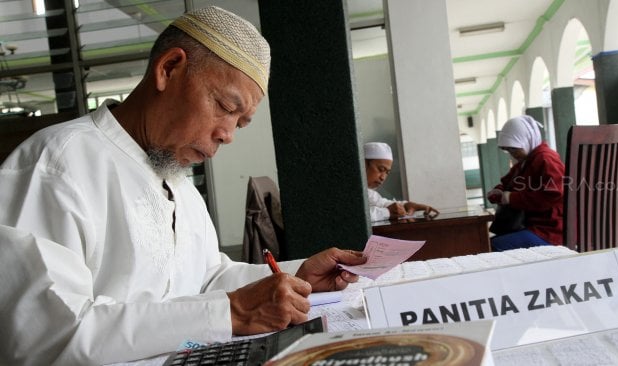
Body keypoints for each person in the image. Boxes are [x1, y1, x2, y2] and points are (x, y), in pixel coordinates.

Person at [0, 6, 366, 366]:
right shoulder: (56, 165)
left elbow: (205, 279)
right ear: (169, 69)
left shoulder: (177, 182)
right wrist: (231, 312)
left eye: (240, 123)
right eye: (224, 106)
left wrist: (295, 278)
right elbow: (45, 338)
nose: (227, 134)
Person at [487, 115, 565, 251]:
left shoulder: (546, 159)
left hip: (550, 231)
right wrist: (499, 190)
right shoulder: (526, 162)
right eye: (508, 150)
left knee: (490, 246)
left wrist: (510, 198)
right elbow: (508, 183)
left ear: (525, 140)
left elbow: (553, 194)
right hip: (532, 227)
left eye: (514, 148)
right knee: (487, 243)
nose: (512, 153)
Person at [364, 142, 438, 222]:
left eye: (387, 173)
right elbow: (353, 215)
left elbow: (381, 203)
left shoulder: (367, 191)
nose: (383, 177)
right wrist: (387, 212)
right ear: (363, 164)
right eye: (381, 169)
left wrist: (406, 205)